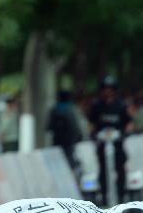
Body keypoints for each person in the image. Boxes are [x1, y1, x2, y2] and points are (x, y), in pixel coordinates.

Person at [88, 76, 132, 204]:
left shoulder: (121, 105)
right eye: (105, 88)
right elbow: (91, 122)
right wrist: (92, 134)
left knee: (120, 169)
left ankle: (121, 196)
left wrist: (126, 132)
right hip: (102, 143)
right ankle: (104, 196)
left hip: (117, 143)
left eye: (110, 88)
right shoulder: (97, 105)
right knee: (103, 169)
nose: (107, 91)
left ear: (114, 90)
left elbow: (129, 122)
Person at [47, 90, 82, 169]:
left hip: (57, 139)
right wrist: (79, 137)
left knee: (57, 158)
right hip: (69, 140)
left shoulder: (54, 109)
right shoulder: (71, 109)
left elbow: (49, 126)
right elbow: (75, 126)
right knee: (69, 157)